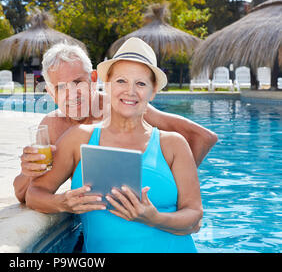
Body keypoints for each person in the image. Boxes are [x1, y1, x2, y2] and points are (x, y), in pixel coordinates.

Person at [25, 37, 203, 252]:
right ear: (106, 84)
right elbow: (34, 193)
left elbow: (193, 216)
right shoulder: (78, 138)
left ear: (153, 91)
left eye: (141, 83)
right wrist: (61, 203)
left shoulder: (173, 144)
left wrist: (154, 218)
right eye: (121, 81)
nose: (130, 91)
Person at [14, 42, 217, 203]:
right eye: (60, 88)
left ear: (94, 79)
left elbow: (203, 137)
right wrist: (27, 172)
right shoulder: (53, 125)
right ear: (50, 93)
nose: (72, 95)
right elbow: (24, 194)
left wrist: (172, 190)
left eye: (78, 83)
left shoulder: (124, 107)